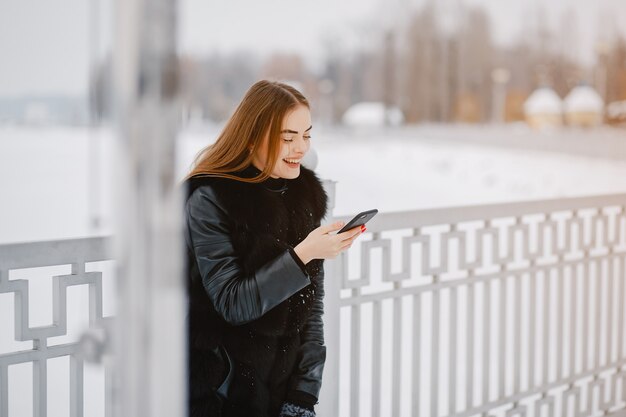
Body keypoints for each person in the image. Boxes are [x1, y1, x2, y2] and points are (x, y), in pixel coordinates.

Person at [183, 80, 364, 417]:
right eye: (288, 137)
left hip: (281, 394)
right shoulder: (210, 199)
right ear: (252, 136)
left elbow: (312, 310)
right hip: (220, 393)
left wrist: (304, 395)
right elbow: (232, 302)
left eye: (306, 135)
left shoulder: (302, 195)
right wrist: (303, 254)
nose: (301, 148)